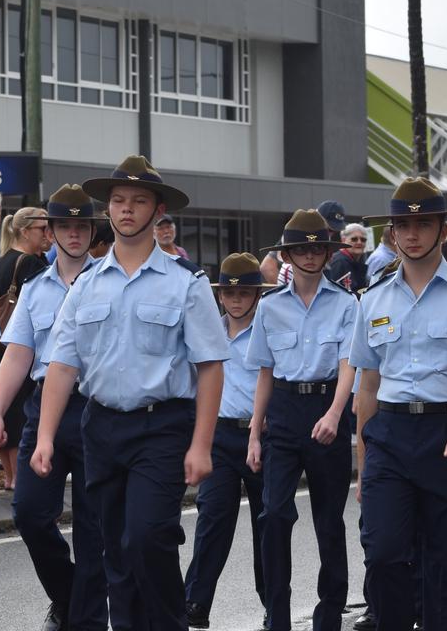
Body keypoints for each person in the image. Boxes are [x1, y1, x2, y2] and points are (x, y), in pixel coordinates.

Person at [30, 155, 228, 630]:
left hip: (161, 426)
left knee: (147, 536)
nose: (126, 209)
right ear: (108, 209)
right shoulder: (86, 286)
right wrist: (44, 437)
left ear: (157, 211)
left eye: (139, 201)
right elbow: (61, 365)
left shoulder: (187, 283)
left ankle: (168, 622)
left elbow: (211, 367)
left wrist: (202, 444)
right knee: (113, 549)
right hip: (100, 426)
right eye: (118, 200)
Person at [352, 178, 447, 631]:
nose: (412, 233)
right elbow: (367, 387)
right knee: (382, 553)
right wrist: (363, 466)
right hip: (390, 439)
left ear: (443, 230)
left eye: (423, 223)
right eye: (402, 224)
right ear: (393, 232)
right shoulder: (373, 298)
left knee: (443, 563)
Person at [0, 184, 106, 631]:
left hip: (96, 408)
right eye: (64, 226)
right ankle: (68, 595)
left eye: (81, 226)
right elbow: (18, 353)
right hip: (44, 410)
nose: (73, 234)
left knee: (95, 528)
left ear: (92, 230)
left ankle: (88, 619)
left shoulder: (108, 280)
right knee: (30, 513)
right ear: (51, 231)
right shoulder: (34, 287)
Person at [245, 209, 357, 631]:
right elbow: (264, 373)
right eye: (301, 249)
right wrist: (255, 434)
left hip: (328, 406)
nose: (310, 256)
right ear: (288, 254)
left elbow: (349, 365)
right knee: (273, 515)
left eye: (318, 248)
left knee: (329, 520)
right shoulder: (270, 307)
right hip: (285, 413)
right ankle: (278, 613)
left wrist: (334, 414)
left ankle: (330, 614)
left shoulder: (347, 304)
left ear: (328, 254)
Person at [185, 253, 275, 630]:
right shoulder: (208, 331)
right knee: (213, 518)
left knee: (266, 523)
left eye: (245, 293)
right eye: (229, 294)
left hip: (261, 436)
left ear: (257, 295)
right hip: (219, 435)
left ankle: (273, 603)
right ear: (219, 296)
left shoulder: (268, 331)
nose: (236, 301)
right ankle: (194, 603)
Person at [0, 206, 52, 489]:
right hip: (22, 346)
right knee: (21, 411)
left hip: (0, 344)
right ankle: (18, 477)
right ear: (25, 231)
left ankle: (8, 475)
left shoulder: (4, 259)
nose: (49, 235)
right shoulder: (31, 264)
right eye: (43, 229)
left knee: (5, 410)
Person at [326, 223, 371, 292]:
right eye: (354, 239)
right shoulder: (340, 262)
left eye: (363, 240)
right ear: (343, 240)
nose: (359, 242)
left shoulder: (353, 260)